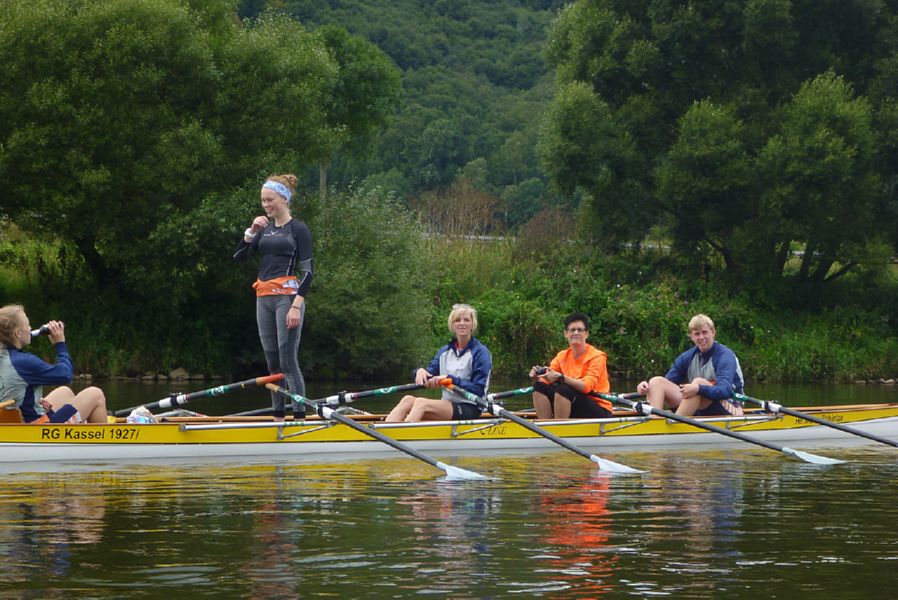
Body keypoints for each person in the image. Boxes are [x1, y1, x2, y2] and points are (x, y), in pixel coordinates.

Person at [234, 174, 313, 421]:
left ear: (284, 199)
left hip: (287, 300)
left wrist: (296, 307)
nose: (266, 205)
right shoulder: (264, 230)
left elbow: (308, 272)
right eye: (263, 201)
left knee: (288, 361)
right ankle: (278, 418)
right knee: (273, 366)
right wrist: (250, 233)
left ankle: (299, 418)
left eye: (270, 200)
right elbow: (238, 257)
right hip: (264, 298)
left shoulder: (299, 230)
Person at [0, 304, 108, 423]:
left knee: (64, 392)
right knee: (95, 394)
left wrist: (33, 400)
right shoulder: (23, 362)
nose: (30, 328)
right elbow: (65, 375)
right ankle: (101, 438)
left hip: (13, 420)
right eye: (27, 325)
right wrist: (60, 344)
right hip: (35, 429)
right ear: (18, 333)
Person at [386, 304, 491, 423]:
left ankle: (401, 435)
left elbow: (478, 390)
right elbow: (429, 374)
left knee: (421, 403)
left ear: (472, 324)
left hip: (471, 406)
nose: (462, 323)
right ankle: (382, 434)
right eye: (457, 320)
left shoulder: (481, 353)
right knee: (407, 400)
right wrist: (420, 372)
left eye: (466, 320)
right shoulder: (445, 351)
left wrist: (452, 380)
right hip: (447, 404)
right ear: (452, 325)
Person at [636, 314, 744, 417]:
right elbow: (668, 383)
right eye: (697, 334)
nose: (701, 337)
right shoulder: (688, 357)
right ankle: (655, 422)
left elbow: (724, 391)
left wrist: (698, 388)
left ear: (713, 333)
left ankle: (674, 426)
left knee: (697, 383)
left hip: (730, 406)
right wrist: (647, 388)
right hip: (697, 405)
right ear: (692, 337)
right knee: (657, 382)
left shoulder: (725, 356)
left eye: (705, 332)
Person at [529, 312, 613, 419]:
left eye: (580, 330)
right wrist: (537, 377)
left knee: (563, 389)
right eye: (572, 330)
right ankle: (545, 427)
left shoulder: (597, 357)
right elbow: (547, 380)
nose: (576, 333)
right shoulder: (562, 356)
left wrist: (561, 377)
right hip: (574, 401)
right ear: (566, 334)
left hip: (599, 407)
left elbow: (586, 387)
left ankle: (559, 430)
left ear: (586, 334)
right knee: (539, 387)